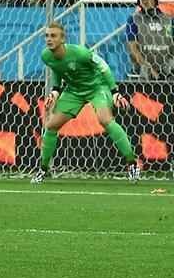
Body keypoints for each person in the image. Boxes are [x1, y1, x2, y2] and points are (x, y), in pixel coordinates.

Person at [34, 23, 141, 184]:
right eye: (47, 36)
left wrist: (115, 92)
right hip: (73, 90)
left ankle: (132, 164)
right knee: (51, 125)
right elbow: (57, 69)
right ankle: (43, 169)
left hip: (97, 87)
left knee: (105, 119)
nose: (49, 39)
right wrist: (55, 91)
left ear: (63, 39)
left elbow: (103, 67)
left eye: (53, 36)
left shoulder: (80, 53)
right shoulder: (46, 56)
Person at [126, 0, 173, 80]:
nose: (144, 2)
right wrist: (148, 67)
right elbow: (133, 48)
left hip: (167, 67)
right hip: (145, 69)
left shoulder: (168, 19)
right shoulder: (133, 19)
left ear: (155, 0)